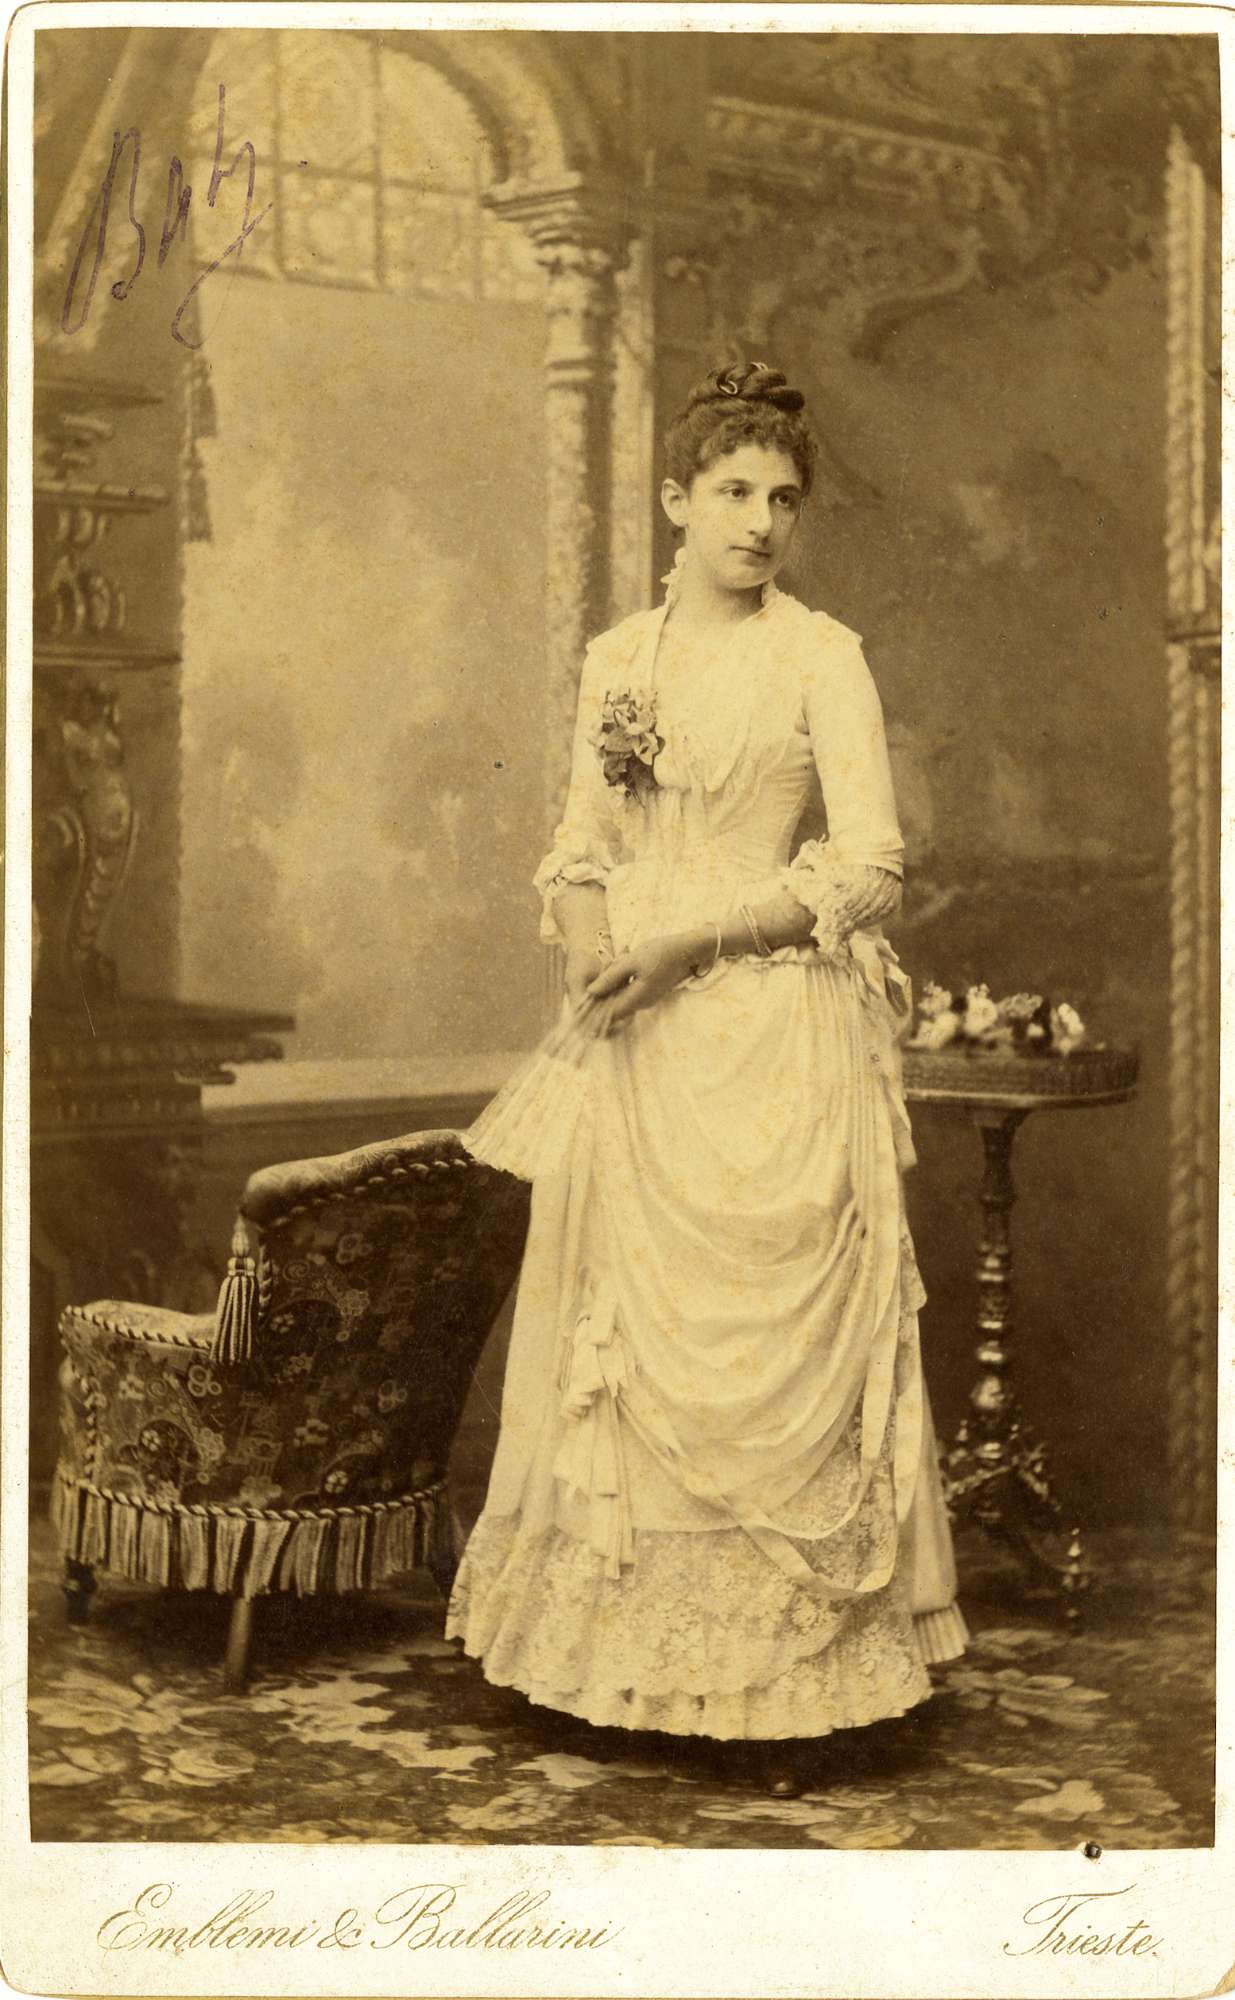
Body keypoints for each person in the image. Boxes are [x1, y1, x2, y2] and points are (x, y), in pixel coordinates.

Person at [447, 361, 967, 1797]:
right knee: (630, 1345)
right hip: (644, 1045)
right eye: (734, 491)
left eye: (784, 499)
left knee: (767, 1348)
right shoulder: (620, 660)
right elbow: (577, 847)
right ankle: (626, 1670)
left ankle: (785, 1683)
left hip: (773, 1035)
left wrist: (692, 940)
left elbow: (870, 869)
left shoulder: (823, 655)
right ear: (676, 500)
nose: (761, 522)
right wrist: (594, 951)